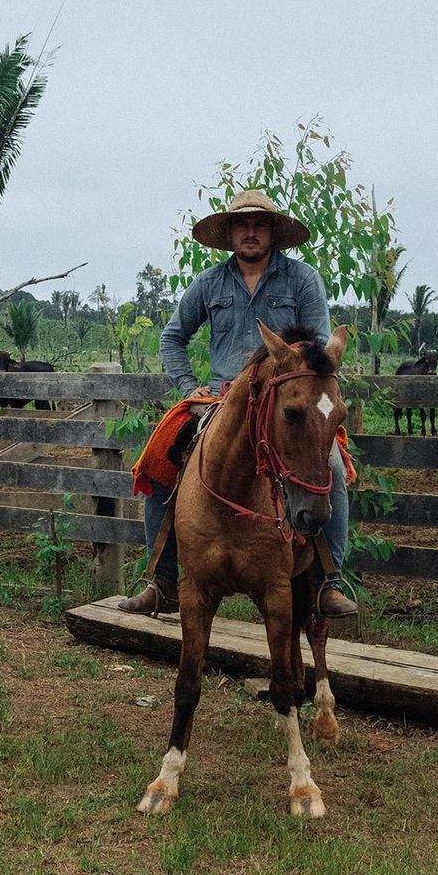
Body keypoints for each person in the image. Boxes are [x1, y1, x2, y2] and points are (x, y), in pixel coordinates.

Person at [119, 189, 356, 617]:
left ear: (272, 233)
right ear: (229, 233)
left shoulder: (302, 280)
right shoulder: (209, 283)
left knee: (333, 469)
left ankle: (328, 582)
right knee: (158, 459)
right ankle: (163, 580)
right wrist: (189, 386)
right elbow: (172, 338)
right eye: (242, 224)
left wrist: (295, 386)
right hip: (221, 396)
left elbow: (319, 347)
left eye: (259, 224)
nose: (250, 232)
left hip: (285, 397)